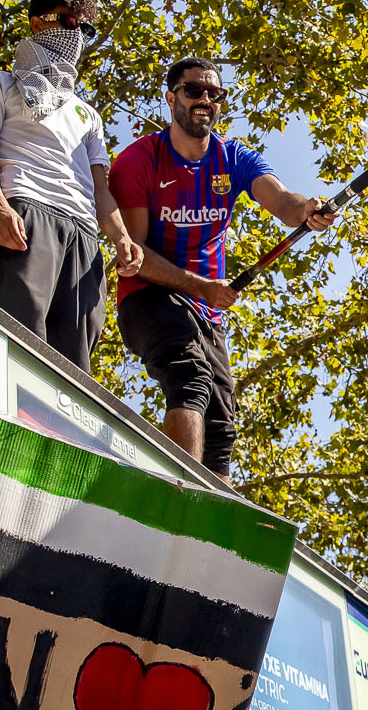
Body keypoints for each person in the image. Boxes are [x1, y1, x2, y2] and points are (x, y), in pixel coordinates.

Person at [111, 57, 334, 478]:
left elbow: (284, 201)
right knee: (189, 377)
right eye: (194, 90)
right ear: (171, 97)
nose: (205, 100)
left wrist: (307, 208)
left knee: (221, 426)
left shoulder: (233, 157)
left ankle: (208, 528)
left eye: (215, 93)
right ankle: (178, 493)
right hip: (149, 295)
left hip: (205, 309)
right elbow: (135, 254)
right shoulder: (139, 159)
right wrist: (200, 286)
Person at [0, 0, 143, 367]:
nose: (75, 33)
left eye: (85, 28)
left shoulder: (88, 114)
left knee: (76, 353)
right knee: (20, 335)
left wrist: (122, 238)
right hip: (29, 212)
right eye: (67, 21)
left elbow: (101, 188)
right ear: (37, 24)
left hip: (83, 233)